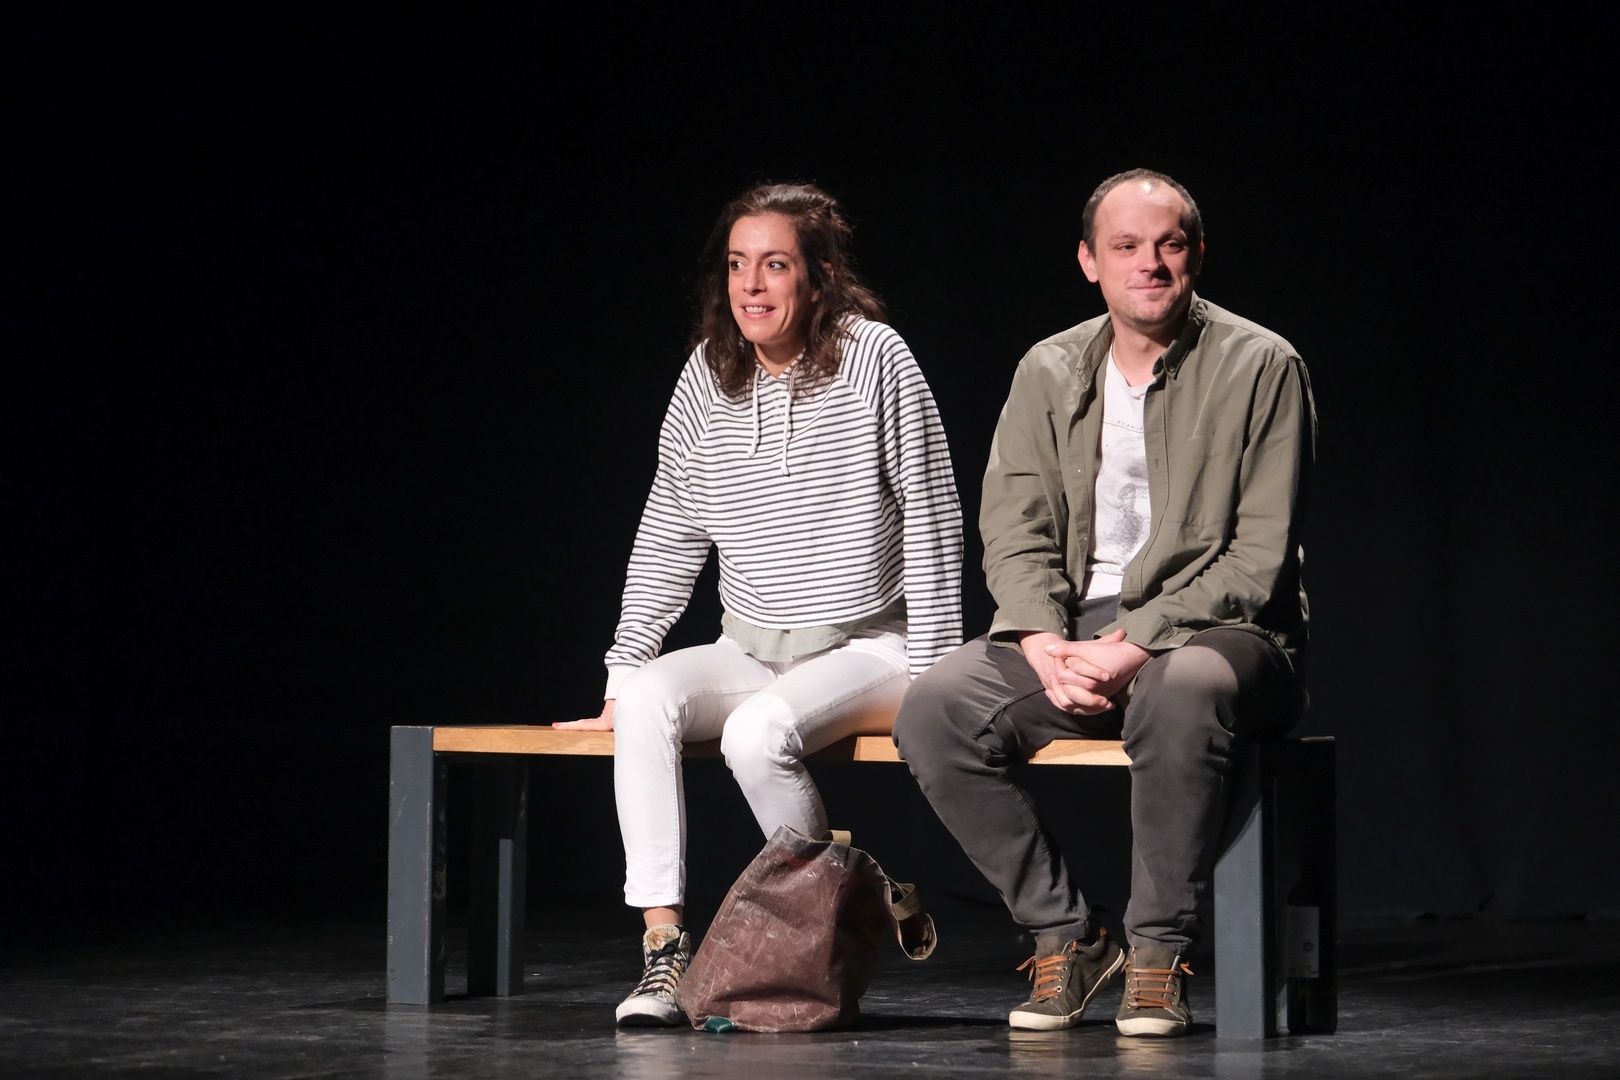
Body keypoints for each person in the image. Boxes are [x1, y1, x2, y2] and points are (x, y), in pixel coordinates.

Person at [893, 169, 1315, 1037]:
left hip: (1227, 635)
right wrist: (1041, 642)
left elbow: (1258, 558)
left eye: (1168, 245)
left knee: (1183, 687)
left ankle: (1158, 955)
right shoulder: (1048, 369)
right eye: (1125, 246)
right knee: (936, 709)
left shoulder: (1262, 365)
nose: (1148, 263)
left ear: (1196, 255)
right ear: (1090, 261)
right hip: (1077, 632)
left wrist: (1135, 642)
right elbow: (1013, 527)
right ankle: (1069, 937)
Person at [555, 182, 963, 1027]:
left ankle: (812, 942)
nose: (751, 284)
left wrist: (936, 677)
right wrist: (624, 669)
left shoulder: (875, 358)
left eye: (775, 264)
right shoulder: (709, 373)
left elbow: (933, 517)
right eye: (738, 265)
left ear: (820, 276)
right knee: (647, 700)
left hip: (869, 647)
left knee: (755, 735)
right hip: (751, 644)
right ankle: (664, 951)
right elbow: (669, 531)